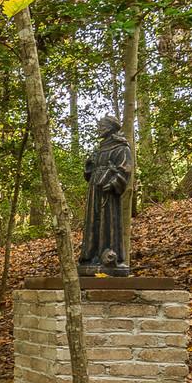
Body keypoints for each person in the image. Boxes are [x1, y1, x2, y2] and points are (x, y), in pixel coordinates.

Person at [78, 115, 132, 276]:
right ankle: (90, 256)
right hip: (95, 189)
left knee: (108, 221)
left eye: (102, 125)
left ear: (110, 127)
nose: (99, 129)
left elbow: (125, 169)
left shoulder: (121, 148)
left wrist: (115, 182)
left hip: (108, 191)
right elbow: (89, 172)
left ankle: (109, 256)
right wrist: (89, 165)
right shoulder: (99, 149)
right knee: (92, 221)